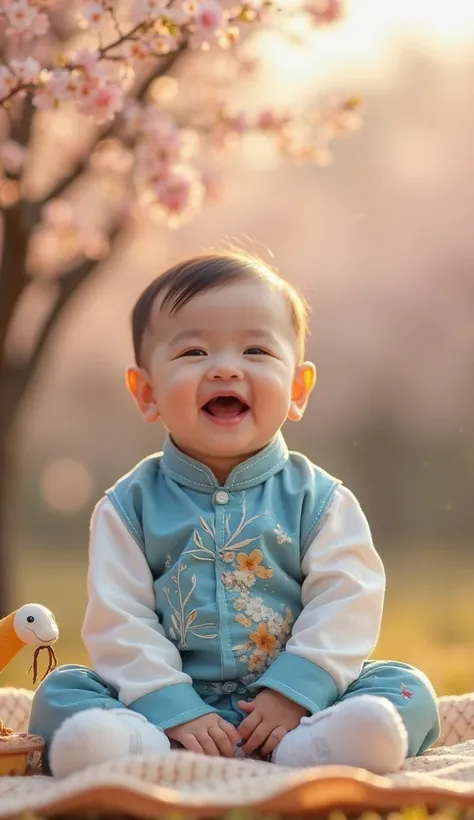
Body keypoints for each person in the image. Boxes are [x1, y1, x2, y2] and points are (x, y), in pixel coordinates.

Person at [29, 251, 440, 778]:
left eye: (256, 349)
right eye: (195, 351)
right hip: (162, 708)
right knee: (61, 694)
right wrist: (172, 707)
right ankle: (133, 743)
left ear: (297, 389)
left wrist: (296, 692)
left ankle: (314, 744)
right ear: (147, 392)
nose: (226, 367)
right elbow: (119, 620)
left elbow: (346, 599)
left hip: (296, 708)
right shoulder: (126, 506)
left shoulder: (320, 500)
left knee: (407, 690)